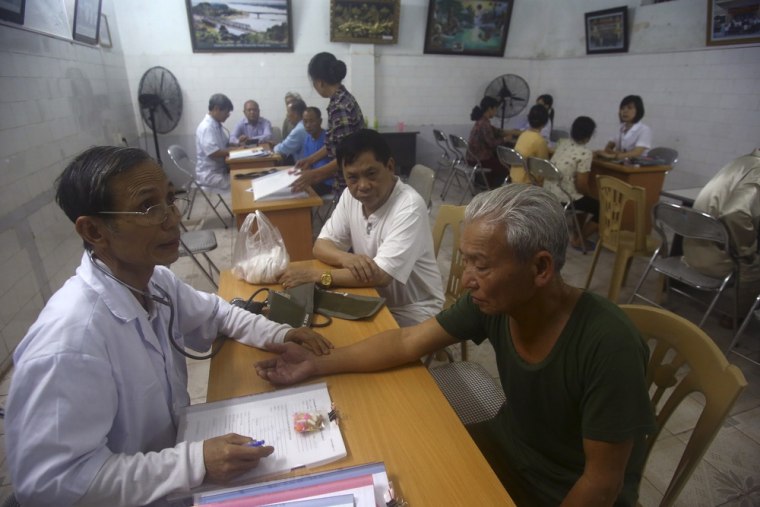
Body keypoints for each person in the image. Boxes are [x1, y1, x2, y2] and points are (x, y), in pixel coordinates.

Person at [258, 184, 656, 506]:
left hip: (560, 490)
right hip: (508, 451)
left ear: (540, 268)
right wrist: (317, 363)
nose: (466, 279)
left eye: (480, 264)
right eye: (465, 261)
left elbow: (602, 484)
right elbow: (408, 340)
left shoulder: (608, 344)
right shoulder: (497, 303)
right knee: (398, 463)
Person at [5, 146, 332, 506]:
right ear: (94, 230)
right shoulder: (70, 342)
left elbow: (215, 313)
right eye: (148, 207)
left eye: (171, 199)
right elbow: (51, 485)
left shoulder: (154, 281)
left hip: (170, 464)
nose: (173, 218)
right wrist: (193, 463)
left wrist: (278, 333)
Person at [279, 129, 444, 327]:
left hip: (415, 310)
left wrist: (317, 276)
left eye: (371, 174)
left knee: (345, 343)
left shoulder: (409, 207)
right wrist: (346, 258)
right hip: (373, 296)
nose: (363, 186)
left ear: (390, 166)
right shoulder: (351, 196)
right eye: (353, 177)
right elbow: (321, 245)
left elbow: (381, 275)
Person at [683, 149, 760, 316]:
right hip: (713, 260)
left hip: (692, 248)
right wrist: (746, 252)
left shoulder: (743, 161)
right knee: (753, 261)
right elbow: (735, 214)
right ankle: (736, 318)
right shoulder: (758, 172)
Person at [291, 52, 365, 194]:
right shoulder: (339, 100)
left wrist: (315, 174)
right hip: (344, 179)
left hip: (350, 184)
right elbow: (337, 143)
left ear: (320, 82)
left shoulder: (340, 107)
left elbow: (348, 155)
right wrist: (310, 160)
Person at [547, 116, 599, 249]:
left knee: (585, 202)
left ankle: (578, 234)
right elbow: (581, 185)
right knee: (601, 208)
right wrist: (590, 195)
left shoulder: (562, 143)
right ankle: (579, 239)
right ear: (589, 135)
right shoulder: (585, 153)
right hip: (565, 198)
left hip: (549, 192)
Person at [468, 96, 512, 188]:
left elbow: (495, 131)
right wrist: (505, 139)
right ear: (490, 109)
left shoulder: (481, 121)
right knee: (506, 168)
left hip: (472, 158)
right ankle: (492, 190)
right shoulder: (484, 124)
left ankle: (483, 184)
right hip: (479, 160)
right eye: (495, 109)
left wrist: (511, 132)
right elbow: (492, 144)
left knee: (497, 161)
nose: (496, 112)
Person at [195, 93, 235, 191]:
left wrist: (238, 145)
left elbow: (225, 145)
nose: (228, 115)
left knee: (244, 176)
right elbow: (213, 153)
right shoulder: (207, 127)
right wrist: (235, 151)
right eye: (227, 112)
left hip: (219, 170)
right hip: (210, 174)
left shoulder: (216, 125)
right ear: (216, 109)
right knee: (241, 183)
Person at [597, 95, 652, 160]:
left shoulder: (644, 130)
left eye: (629, 108)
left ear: (638, 110)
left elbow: (636, 153)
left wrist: (613, 156)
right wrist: (619, 154)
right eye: (622, 108)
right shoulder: (620, 127)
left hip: (637, 167)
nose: (625, 111)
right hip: (620, 163)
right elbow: (607, 148)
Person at [512, 104, 550, 183]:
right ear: (545, 122)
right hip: (528, 182)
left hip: (514, 177)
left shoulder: (523, 135)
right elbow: (543, 168)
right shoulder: (540, 140)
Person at [301, 106, 333, 196]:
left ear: (320, 121)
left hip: (327, 183)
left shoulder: (329, 138)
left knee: (300, 192)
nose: (308, 125)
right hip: (313, 179)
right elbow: (308, 165)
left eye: (311, 121)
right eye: (305, 121)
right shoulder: (307, 138)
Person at [272, 98, 307, 164]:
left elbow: (282, 149)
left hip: (303, 166)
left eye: (288, 112)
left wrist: (274, 148)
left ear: (296, 114)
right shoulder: (303, 125)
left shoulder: (299, 129)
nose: (287, 115)